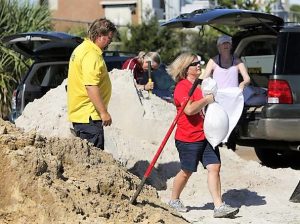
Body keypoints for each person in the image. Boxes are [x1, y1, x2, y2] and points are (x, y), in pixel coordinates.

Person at [166, 52, 239, 218]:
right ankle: (174, 200)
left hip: (206, 136)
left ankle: (219, 206)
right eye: (194, 64)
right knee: (187, 171)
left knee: (215, 167)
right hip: (188, 138)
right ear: (185, 69)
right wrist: (207, 100)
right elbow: (190, 109)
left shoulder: (202, 84)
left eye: (199, 62)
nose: (199, 65)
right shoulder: (182, 87)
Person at [67, 18, 117, 150]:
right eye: (109, 38)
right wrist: (103, 112)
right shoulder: (91, 54)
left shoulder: (82, 48)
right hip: (89, 117)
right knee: (93, 162)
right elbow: (90, 86)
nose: (110, 42)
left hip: (82, 116)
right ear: (100, 36)